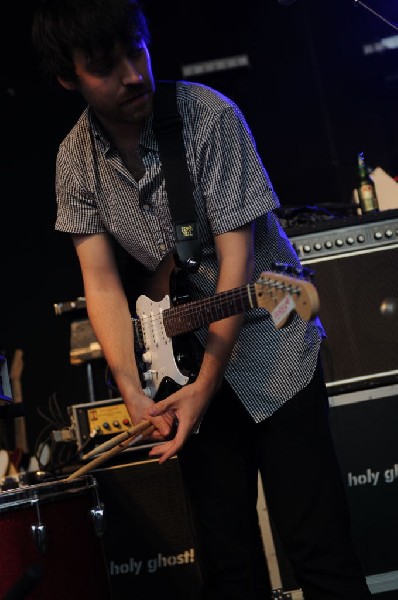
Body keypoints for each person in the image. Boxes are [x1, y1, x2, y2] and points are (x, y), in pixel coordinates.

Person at [31, 1, 372, 598]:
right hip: (182, 367)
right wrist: (133, 391)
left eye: (138, 50)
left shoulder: (209, 118)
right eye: (105, 66)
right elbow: (103, 282)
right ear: (68, 77)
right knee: (227, 566)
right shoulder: (72, 160)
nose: (134, 74)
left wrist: (207, 383)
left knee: (320, 553)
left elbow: (234, 261)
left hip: (275, 342)